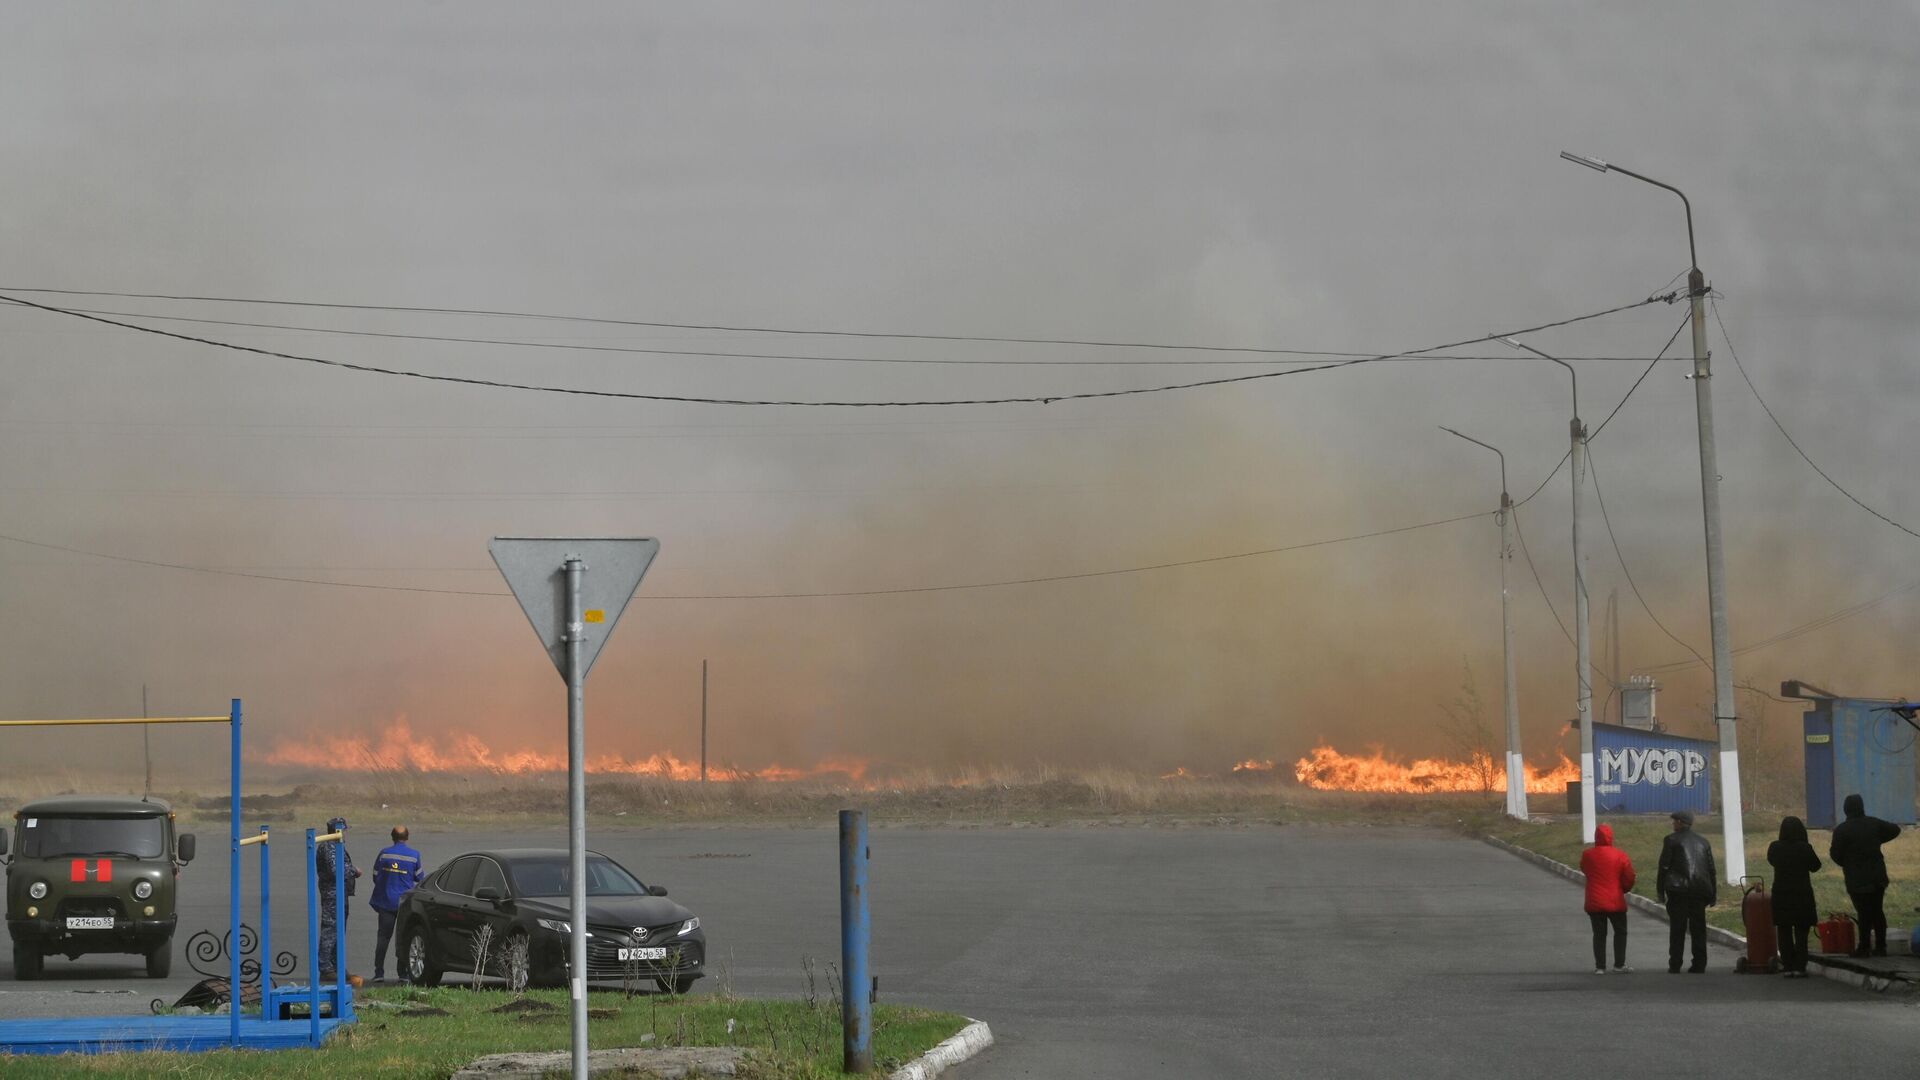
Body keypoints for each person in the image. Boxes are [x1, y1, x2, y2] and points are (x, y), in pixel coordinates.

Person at [1829, 793, 1902, 957]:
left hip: (1856, 877)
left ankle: (1864, 947)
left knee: (1863, 912)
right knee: (1877, 910)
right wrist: (1878, 839)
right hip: (1878, 876)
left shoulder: (1842, 830)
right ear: (1862, 807)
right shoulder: (1873, 823)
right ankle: (1881, 946)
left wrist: (1847, 863)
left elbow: (1835, 854)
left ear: (1846, 809)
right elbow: (1895, 829)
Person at [1656, 809, 1717, 974]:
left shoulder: (1671, 840)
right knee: (1698, 928)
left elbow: (1664, 867)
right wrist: (1713, 894)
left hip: (1679, 891)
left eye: (1674, 821)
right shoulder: (1703, 842)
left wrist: (1660, 890)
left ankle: (1675, 963)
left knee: (1677, 928)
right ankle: (1699, 963)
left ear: (1681, 823)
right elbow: (1711, 870)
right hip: (1699, 891)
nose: (1673, 823)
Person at [369, 825, 426, 983]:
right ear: (407, 837)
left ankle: (379, 973)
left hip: (386, 903)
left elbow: (375, 876)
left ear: (392, 837)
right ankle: (403, 974)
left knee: (383, 938)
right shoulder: (414, 856)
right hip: (404, 904)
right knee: (403, 938)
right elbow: (420, 878)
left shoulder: (384, 854)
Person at [1767, 815, 1822, 978]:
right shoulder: (1805, 848)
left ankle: (1788, 965)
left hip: (1781, 894)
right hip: (1801, 894)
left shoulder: (1775, 847)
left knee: (1783, 931)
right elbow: (1816, 866)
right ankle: (1800, 966)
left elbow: (1771, 860)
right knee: (1801, 932)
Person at [1580, 822, 1636, 975]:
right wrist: (1624, 889)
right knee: (1620, 932)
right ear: (1611, 837)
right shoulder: (1620, 855)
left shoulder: (1587, 855)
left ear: (1596, 837)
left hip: (1594, 901)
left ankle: (1600, 966)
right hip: (1615, 900)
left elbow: (1585, 869)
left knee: (1599, 934)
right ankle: (1619, 964)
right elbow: (1629, 876)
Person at [315, 816, 362, 981]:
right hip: (332, 895)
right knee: (330, 930)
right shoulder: (329, 847)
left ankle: (337, 966)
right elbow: (336, 870)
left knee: (338, 932)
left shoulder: (335, 846)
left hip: (339, 894)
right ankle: (325, 967)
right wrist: (353, 870)